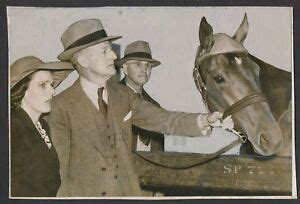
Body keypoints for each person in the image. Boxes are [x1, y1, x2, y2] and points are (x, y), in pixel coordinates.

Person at [48, 18, 232, 197]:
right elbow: (59, 172)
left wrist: (205, 119)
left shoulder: (124, 96)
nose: (113, 55)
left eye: (111, 50)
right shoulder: (59, 107)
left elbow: (163, 119)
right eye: (105, 51)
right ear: (83, 60)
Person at [10, 56, 74, 197]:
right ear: (22, 90)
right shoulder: (13, 129)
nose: (52, 91)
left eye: (51, 84)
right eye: (43, 85)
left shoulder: (42, 125)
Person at [117, 40, 164, 152]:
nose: (144, 70)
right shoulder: (111, 97)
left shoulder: (155, 107)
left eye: (148, 65)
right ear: (125, 68)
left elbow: (159, 151)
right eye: (138, 64)